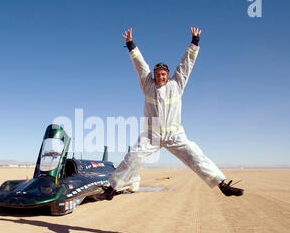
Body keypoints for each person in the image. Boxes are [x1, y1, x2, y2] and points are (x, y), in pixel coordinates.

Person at [100, 27, 244, 200]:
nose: (160, 77)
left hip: (174, 134)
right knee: (133, 158)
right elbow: (140, 66)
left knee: (195, 156)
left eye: (163, 74)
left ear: (167, 75)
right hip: (151, 135)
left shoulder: (176, 85)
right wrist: (131, 45)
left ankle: (222, 184)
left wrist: (194, 43)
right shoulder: (148, 85)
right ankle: (112, 189)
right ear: (153, 76)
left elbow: (186, 65)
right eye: (157, 74)